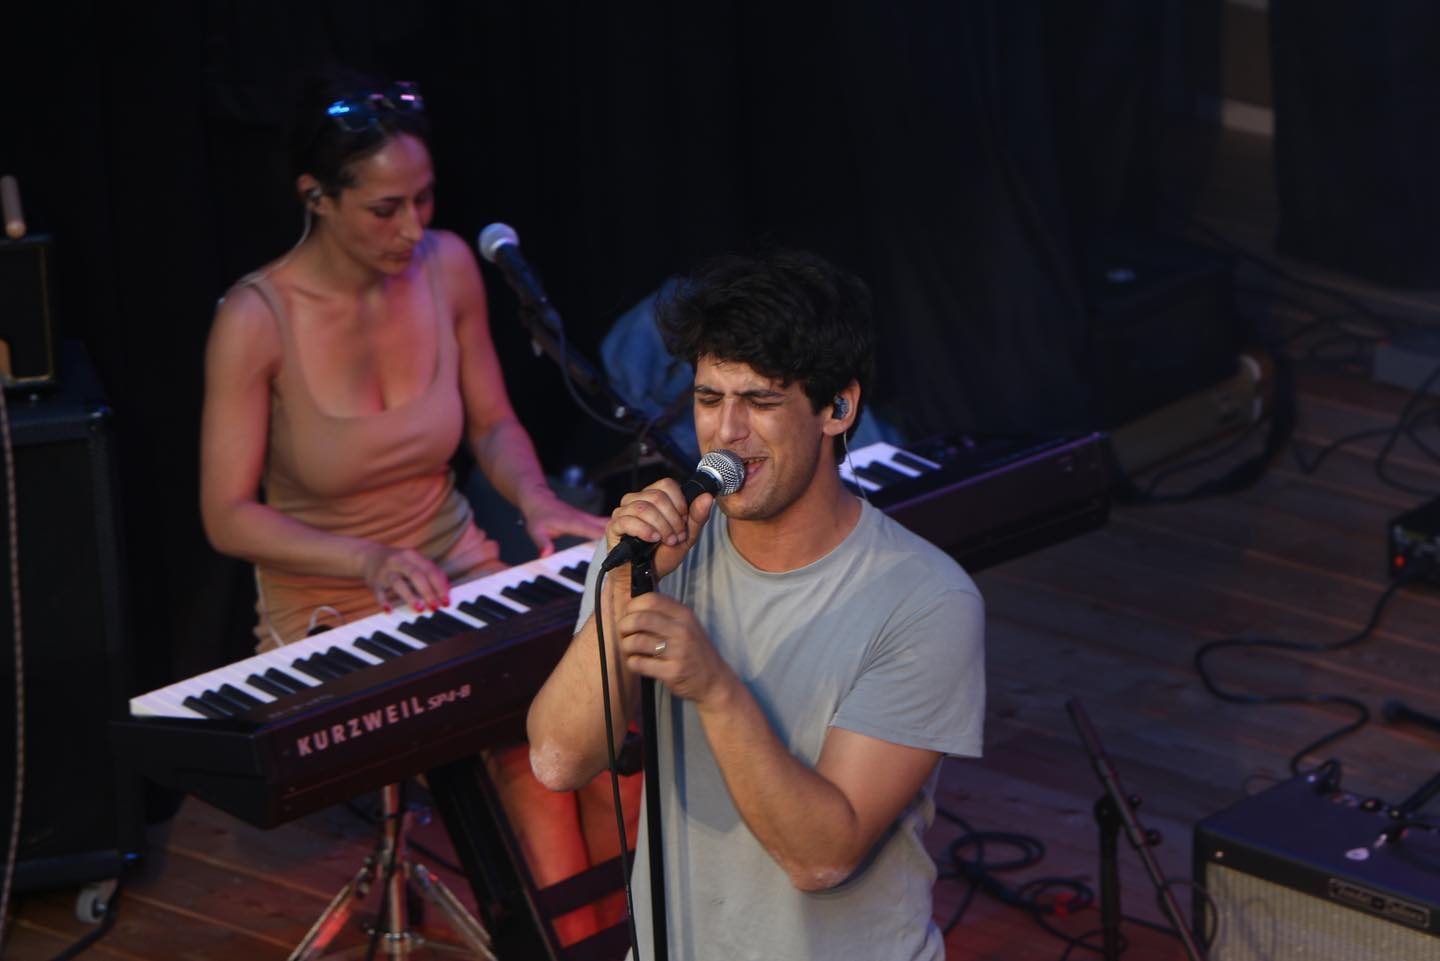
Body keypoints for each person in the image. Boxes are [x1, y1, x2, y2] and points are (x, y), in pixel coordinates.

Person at [198, 71, 631, 943]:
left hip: (456, 571)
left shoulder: (451, 265)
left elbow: (492, 423)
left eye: (424, 199)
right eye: (384, 208)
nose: (412, 227)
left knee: (610, 749)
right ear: (317, 198)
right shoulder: (255, 316)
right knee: (534, 762)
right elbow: (227, 514)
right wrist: (366, 558)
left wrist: (535, 498)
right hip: (330, 602)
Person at [527, 249, 987, 960]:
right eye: (710, 399)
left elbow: (822, 857)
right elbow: (559, 761)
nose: (727, 432)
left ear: (838, 408)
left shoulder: (927, 600)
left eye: (761, 402)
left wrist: (715, 688)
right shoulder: (651, 551)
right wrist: (621, 589)